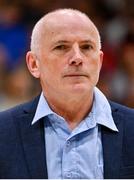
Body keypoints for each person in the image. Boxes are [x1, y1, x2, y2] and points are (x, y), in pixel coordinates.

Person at [0, 8, 134, 179]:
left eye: (86, 47)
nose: (77, 57)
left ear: (99, 62)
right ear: (34, 64)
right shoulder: (3, 133)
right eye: (61, 47)